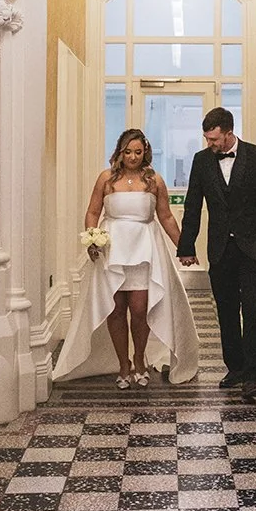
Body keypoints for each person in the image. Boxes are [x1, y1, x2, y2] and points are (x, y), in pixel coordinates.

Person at [53, 128, 199, 389]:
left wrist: (184, 247)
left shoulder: (154, 180)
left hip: (144, 251)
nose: (133, 157)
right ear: (120, 152)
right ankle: (123, 365)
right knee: (116, 310)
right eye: (128, 152)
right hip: (112, 251)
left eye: (138, 152)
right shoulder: (106, 179)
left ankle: (139, 360)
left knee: (140, 309)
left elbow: (165, 217)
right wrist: (92, 237)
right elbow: (92, 211)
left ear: (145, 153)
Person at [178, 106, 256, 401]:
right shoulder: (201, 161)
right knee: (226, 311)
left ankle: (253, 375)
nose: (210, 144)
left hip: (254, 247)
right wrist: (186, 247)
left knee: (253, 310)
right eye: (207, 139)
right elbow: (193, 206)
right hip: (220, 249)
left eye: (214, 139)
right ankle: (236, 368)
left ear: (229, 132)